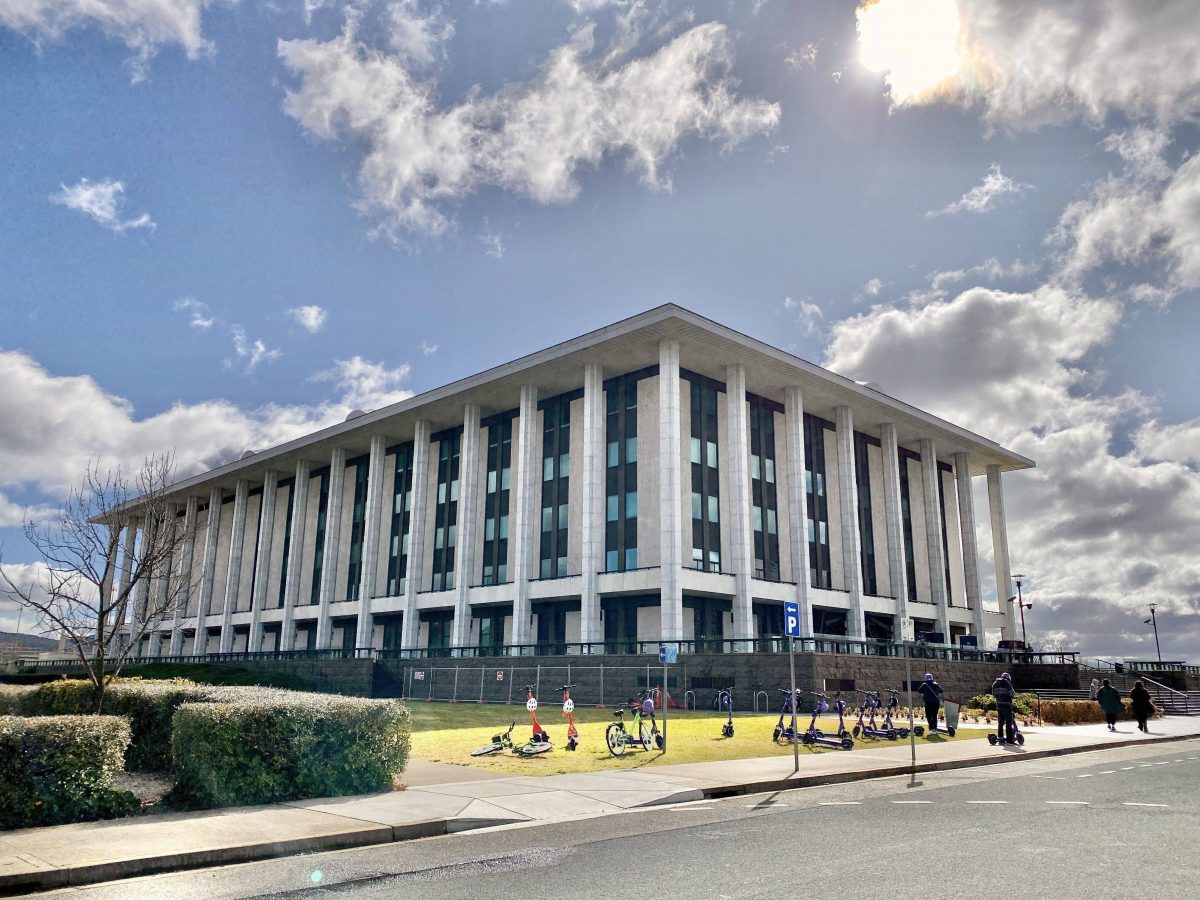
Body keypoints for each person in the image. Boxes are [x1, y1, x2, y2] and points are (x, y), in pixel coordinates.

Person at [991, 671, 1017, 744]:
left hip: (999, 705)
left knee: (1000, 722)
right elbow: (1012, 694)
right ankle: (1010, 740)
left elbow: (993, 694)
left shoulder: (995, 684)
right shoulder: (1007, 683)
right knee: (1009, 723)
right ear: (1008, 678)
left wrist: (999, 698)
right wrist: (1013, 696)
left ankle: (1000, 737)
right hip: (1007, 705)